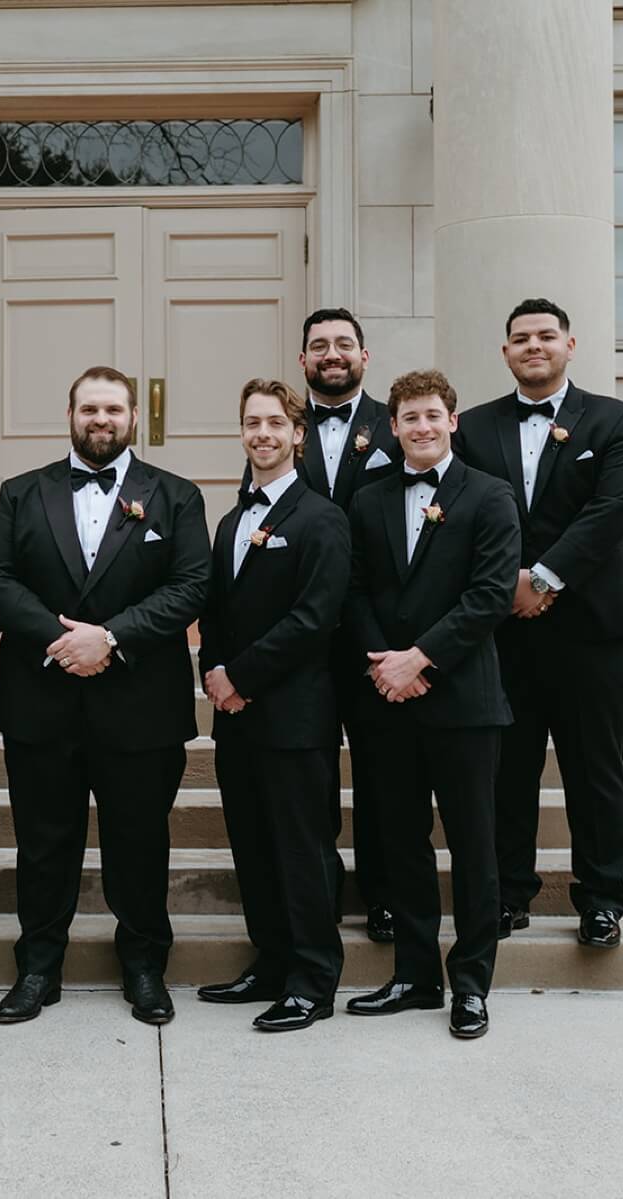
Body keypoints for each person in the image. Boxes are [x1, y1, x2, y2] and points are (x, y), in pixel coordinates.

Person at [0, 366, 210, 1026]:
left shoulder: (177, 496)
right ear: (70, 414)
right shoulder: (21, 492)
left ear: (134, 416)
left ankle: (143, 965)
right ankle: (38, 965)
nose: (100, 419)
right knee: (43, 843)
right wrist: (59, 640)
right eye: (88, 408)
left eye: (112, 408)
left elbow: (192, 585)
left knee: (139, 842)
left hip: (140, 705)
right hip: (42, 701)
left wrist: (110, 638)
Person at [453, 298, 623, 949]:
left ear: (570, 343)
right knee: (506, 767)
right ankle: (509, 890)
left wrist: (544, 577)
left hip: (589, 626)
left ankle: (601, 898)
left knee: (595, 766)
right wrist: (506, 584)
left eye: (544, 335)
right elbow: (463, 512)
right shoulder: (473, 428)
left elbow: (614, 506)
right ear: (505, 351)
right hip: (503, 627)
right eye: (519, 338)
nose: (532, 346)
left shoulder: (616, 420)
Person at [342, 368, 519, 1039]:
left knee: (474, 845)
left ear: (452, 421)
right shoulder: (368, 499)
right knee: (401, 841)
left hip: (466, 701)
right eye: (408, 417)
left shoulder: (491, 496)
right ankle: (415, 975)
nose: (420, 426)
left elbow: (490, 593)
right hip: (389, 697)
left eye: (431, 415)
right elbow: (354, 591)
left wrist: (424, 657)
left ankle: (470, 981)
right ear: (393, 427)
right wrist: (388, 663)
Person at [196, 378, 350, 1033]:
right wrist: (211, 671)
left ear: (297, 434)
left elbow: (314, 619)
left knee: (301, 849)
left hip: (294, 716)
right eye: (251, 422)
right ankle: (270, 959)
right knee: (252, 846)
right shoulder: (231, 519)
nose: (262, 433)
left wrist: (242, 675)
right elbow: (216, 612)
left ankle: (312, 978)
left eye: (274, 423)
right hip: (236, 718)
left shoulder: (322, 518)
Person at [247, 308, 402, 942]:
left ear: (365, 356)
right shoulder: (277, 428)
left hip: (377, 631)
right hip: (300, 639)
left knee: (383, 770)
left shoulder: (396, 427)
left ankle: (385, 895)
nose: (331, 354)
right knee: (306, 778)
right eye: (319, 346)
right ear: (303, 359)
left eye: (343, 344)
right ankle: (316, 899)